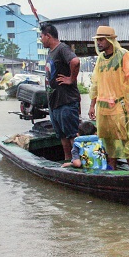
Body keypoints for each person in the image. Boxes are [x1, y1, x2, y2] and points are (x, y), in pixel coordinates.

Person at [87, 26, 129, 171]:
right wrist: (92, 105)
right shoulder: (100, 59)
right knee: (108, 141)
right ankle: (112, 170)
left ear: (110, 40)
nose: (99, 43)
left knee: (127, 140)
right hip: (103, 107)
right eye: (97, 40)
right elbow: (95, 83)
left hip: (121, 105)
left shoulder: (123, 55)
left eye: (101, 40)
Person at [40, 24, 81, 161]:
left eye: (41, 36)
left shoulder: (62, 48)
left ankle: (79, 162)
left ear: (48, 36)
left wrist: (71, 79)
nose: (41, 40)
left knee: (72, 135)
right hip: (55, 103)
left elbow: (75, 61)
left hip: (66, 101)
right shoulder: (51, 52)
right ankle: (68, 160)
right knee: (62, 136)